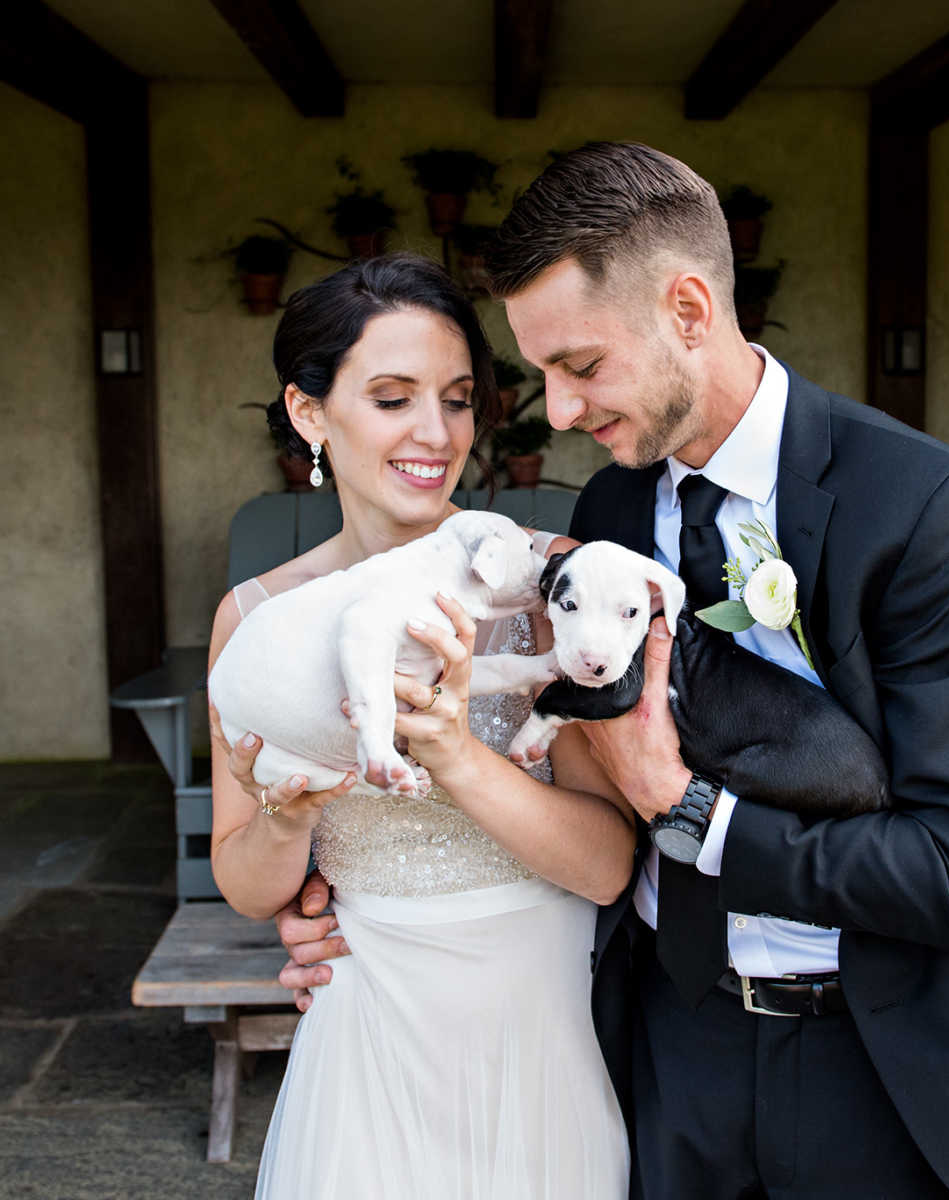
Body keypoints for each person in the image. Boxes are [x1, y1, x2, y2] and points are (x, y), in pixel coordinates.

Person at [279, 145, 949, 1199]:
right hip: (673, 1045)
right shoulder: (607, 514)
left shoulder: (927, 507)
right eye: (539, 377)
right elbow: (579, 793)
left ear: (690, 311)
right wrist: (365, 921)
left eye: (580, 367)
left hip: (898, 1063)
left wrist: (689, 810)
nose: (557, 413)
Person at [208, 254, 631, 1200]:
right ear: (311, 413)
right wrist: (286, 822)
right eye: (392, 398)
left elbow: (607, 864)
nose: (434, 434)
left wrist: (453, 750)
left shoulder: (544, 589)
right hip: (368, 1027)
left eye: (457, 398)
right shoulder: (260, 624)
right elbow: (242, 879)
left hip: (540, 1037)